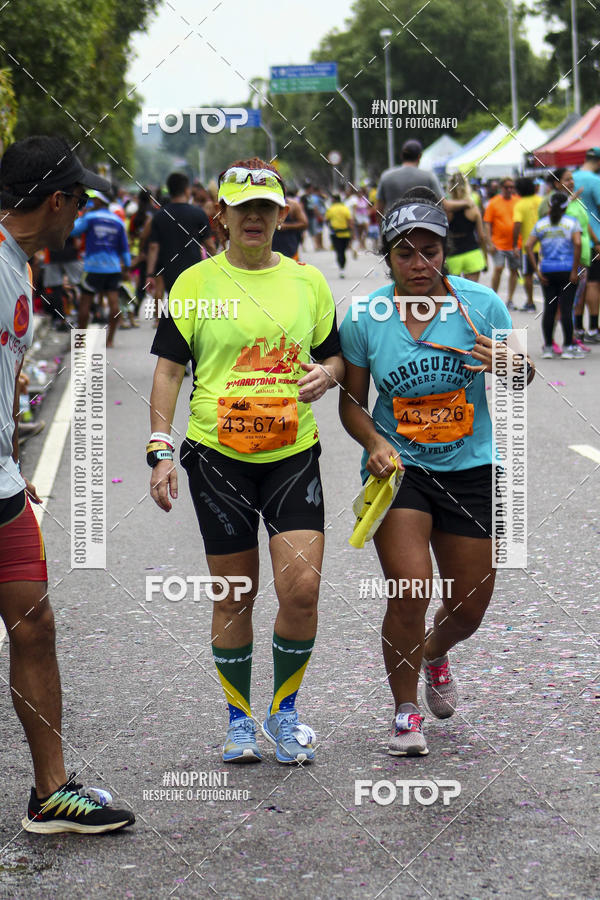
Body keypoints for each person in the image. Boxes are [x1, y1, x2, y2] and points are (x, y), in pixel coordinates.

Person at [148, 158, 344, 765]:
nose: (255, 217)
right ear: (222, 217)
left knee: (302, 589)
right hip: (217, 458)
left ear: (282, 215)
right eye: (243, 207)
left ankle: (284, 715)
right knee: (235, 593)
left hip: (290, 453)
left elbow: (334, 358)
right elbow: (169, 371)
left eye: (266, 207)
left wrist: (326, 376)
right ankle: (239, 719)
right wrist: (158, 450)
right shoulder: (196, 285)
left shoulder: (307, 283)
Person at [339, 187, 534, 757]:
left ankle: (433, 652)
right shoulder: (365, 317)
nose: (420, 265)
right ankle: (404, 712)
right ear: (388, 256)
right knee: (409, 589)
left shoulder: (482, 306)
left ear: (446, 251)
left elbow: (521, 382)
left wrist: (510, 364)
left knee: (470, 605)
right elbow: (351, 402)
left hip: (472, 469)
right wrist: (374, 441)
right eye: (406, 253)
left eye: (430, 252)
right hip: (401, 471)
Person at [0, 135, 135, 833]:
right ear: (57, 202)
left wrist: (16, 465)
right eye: (77, 201)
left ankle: (50, 794)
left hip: (2, 486)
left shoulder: (20, 267)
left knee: (35, 625)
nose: (80, 215)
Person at [538, 168, 597, 347]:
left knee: (575, 302)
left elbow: (585, 225)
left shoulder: (577, 202)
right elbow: (547, 221)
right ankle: (554, 342)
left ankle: (573, 337)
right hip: (567, 261)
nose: (571, 182)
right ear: (557, 183)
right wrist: (568, 201)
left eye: (572, 179)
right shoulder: (552, 202)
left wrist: (597, 243)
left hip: (583, 258)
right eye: (567, 179)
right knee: (560, 306)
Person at [525, 192, 583, 359]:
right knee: (566, 309)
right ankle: (567, 347)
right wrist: (574, 270)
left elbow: (529, 246)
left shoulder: (541, 224)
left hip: (547, 271)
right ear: (567, 207)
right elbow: (578, 243)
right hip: (567, 271)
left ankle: (548, 347)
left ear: (549, 206)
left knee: (549, 309)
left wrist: (537, 270)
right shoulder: (572, 223)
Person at [145, 172, 216, 305]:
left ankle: (161, 323)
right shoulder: (199, 214)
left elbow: (153, 247)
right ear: (186, 190)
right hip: (193, 269)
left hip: (168, 271)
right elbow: (210, 246)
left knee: (172, 304)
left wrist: (150, 274)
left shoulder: (160, 216)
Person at [72, 190, 131, 347]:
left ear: (99, 201)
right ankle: (110, 340)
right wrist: (127, 267)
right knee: (114, 305)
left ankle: (80, 341)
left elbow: (74, 230)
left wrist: (81, 216)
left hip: (93, 268)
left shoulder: (90, 217)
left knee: (85, 304)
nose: (92, 202)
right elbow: (124, 249)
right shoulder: (118, 221)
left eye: (94, 200)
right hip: (113, 269)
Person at [573, 148, 600, 342]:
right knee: (594, 283)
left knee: (579, 285)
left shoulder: (570, 177)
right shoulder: (595, 181)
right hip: (594, 239)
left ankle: (577, 328)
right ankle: (593, 327)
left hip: (573, 238)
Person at [483, 176, 520, 309]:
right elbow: (487, 223)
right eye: (506, 187)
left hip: (515, 243)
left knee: (514, 270)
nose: (509, 190)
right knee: (498, 268)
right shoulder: (493, 203)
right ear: (501, 188)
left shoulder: (517, 201)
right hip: (498, 243)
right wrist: (489, 242)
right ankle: (494, 296)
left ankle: (510, 299)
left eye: (511, 187)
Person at [377, 140, 444, 211]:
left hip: (392, 221)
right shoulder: (429, 176)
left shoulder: (386, 176)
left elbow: (379, 208)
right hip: (422, 221)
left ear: (402, 155)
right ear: (420, 156)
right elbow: (444, 204)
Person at [445, 172, 487, 282]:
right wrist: (485, 257)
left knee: (455, 294)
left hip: (453, 256)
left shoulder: (447, 210)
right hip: (472, 252)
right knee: (471, 294)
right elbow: (482, 236)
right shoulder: (473, 208)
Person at [512, 176, 542, 311]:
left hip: (527, 246)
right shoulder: (541, 201)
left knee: (528, 274)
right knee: (544, 272)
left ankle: (530, 302)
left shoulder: (520, 204)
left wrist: (514, 244)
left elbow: (517, 224)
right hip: (545, 245)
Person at [271, 183, 308, 260]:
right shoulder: (265, 204)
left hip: (289, 246)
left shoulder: (293, 205)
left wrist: (286, 226)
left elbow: (304, 223)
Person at [325, 193, 353, 277]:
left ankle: (341, 268)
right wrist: (353, 234)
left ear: (333, 200)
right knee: (343, 251)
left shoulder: (330, 209)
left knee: (339, 251)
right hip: (345, 234)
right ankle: (342, 267)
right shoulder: (345, 209)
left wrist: (330, 227)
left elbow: (326, 220)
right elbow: (350, 221)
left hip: (335, 234)